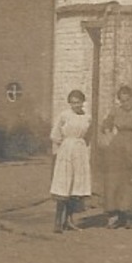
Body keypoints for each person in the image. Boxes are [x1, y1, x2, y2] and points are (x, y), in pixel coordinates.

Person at [98, 85, 132, 228]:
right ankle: (114, 214)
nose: (125, 104)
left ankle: (130, 215)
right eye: (122, 101)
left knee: (131, 182)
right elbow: (105, 125)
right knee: (114, 180)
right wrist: (109, 136)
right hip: (116, 150)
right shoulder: (116, 111)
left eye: (127, 100)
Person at [50, 89, 93, 233]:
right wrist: (64, 145)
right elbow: (55, 134)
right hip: (67, 150)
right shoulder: (65, 115)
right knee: (63, 186)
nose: (76, 105)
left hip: (80, 152)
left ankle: (68, 220)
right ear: (69, 103)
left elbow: (89, 136)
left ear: (83, 102)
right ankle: (57, 222)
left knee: (75, 187)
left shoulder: (87, 117)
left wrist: (81, 147)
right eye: (73, 103)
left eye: (79, 102)